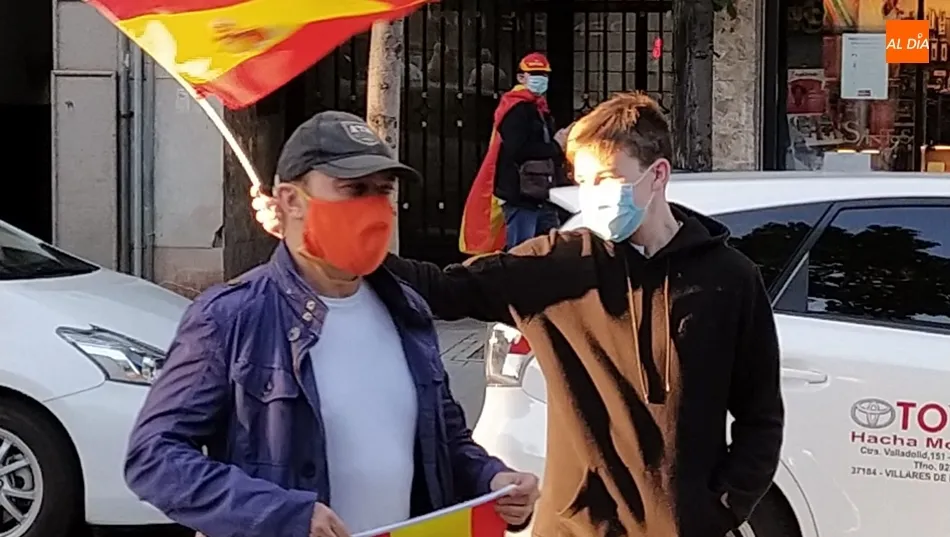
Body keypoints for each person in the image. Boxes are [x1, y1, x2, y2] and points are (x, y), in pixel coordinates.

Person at [254, 93, 784, 537]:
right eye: (582, 180)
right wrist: (317, 235)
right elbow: (440, 288)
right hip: (575, 527)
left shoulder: (731, 279)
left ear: (658, 174)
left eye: (606, 178)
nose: (592, 196)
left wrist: (726, 504)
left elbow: (762, 415)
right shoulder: (558, 264)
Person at [125, 110, 540, 537]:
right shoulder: (230, 317)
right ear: (290, 200)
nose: (375, 208)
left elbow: (446, 442)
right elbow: (154, 457)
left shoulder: (406, 310)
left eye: (383, 191)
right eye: (354, 189)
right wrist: (281, 516)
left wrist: (493, 480)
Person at [483, 52, 569, 251]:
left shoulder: (538, 108)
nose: (541, 79)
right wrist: (556, 147)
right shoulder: (516, 108)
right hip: (520, 193)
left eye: (544, 74)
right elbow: (517, 149)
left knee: (550, 249)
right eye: (535, 73)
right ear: (521, 77)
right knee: (522, 251)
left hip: (540, 194)